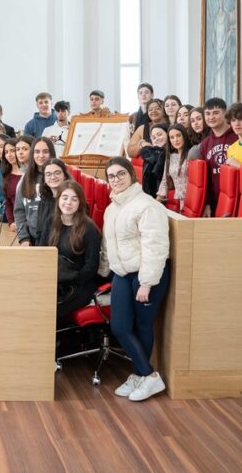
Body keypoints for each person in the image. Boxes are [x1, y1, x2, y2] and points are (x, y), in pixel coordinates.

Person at [102, 156, 170, 402]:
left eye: (121, 174)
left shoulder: (147, 205)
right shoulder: (112, 208)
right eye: (111, 176)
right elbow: (108, 243)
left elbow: (156, 246)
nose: (116, 179)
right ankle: (145, 375)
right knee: (119, 326)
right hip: (122, 272)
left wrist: (147, 282)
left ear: (131, 174)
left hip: (145, 275)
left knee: (142, 326)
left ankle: (146, 376)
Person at [39, 179, 101, 324]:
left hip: (79, 283)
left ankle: (56, 344)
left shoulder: (88, 227)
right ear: (58, 199)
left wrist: (70, 281)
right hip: (55, 280)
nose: (68, 202)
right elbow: (41, 252)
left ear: (80, 203)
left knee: (49, 310)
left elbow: (91, 265)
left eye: (74, 199)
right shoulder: (51, 221)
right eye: (65, 197)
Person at [198, 97, 236, 215]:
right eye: (207, 114)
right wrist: (207, 203)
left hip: (236, 198)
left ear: (225, 114)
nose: (211, 117)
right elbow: (207, 177)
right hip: (215, 200)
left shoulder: (237, 136)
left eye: (216, 113)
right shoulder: (205, 144)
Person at [15, 136, 53, 245]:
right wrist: (24, 238)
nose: (41, 156)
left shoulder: (58, 177)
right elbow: (19, 211)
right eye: (37, 152)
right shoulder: (25, 179)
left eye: (45, 152)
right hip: (32, 239)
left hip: (54, 240)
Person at [35, 159, 71, 243]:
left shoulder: (71, 202)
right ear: (44, 179)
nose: (53, 177)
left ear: (65, 175)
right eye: (48, 174)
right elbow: (39, 233)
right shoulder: (43, 201)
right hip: (45, 251)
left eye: (57, 173)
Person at [157, 125, 191, 210]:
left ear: (184, 135)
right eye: (172, 137)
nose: (175, 140)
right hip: (179, 200)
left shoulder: (192, 153)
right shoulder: (171, 157)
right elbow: (164, 181)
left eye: (178, 135)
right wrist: (155, 202)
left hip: (192, 197)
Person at [1, 138, 22, 226]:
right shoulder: (6, 174)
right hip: (15, 223)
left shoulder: (28, 173)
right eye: (6, 152)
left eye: (12, 151)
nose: (9, 155)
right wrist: (11, 222)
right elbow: (7, 202)